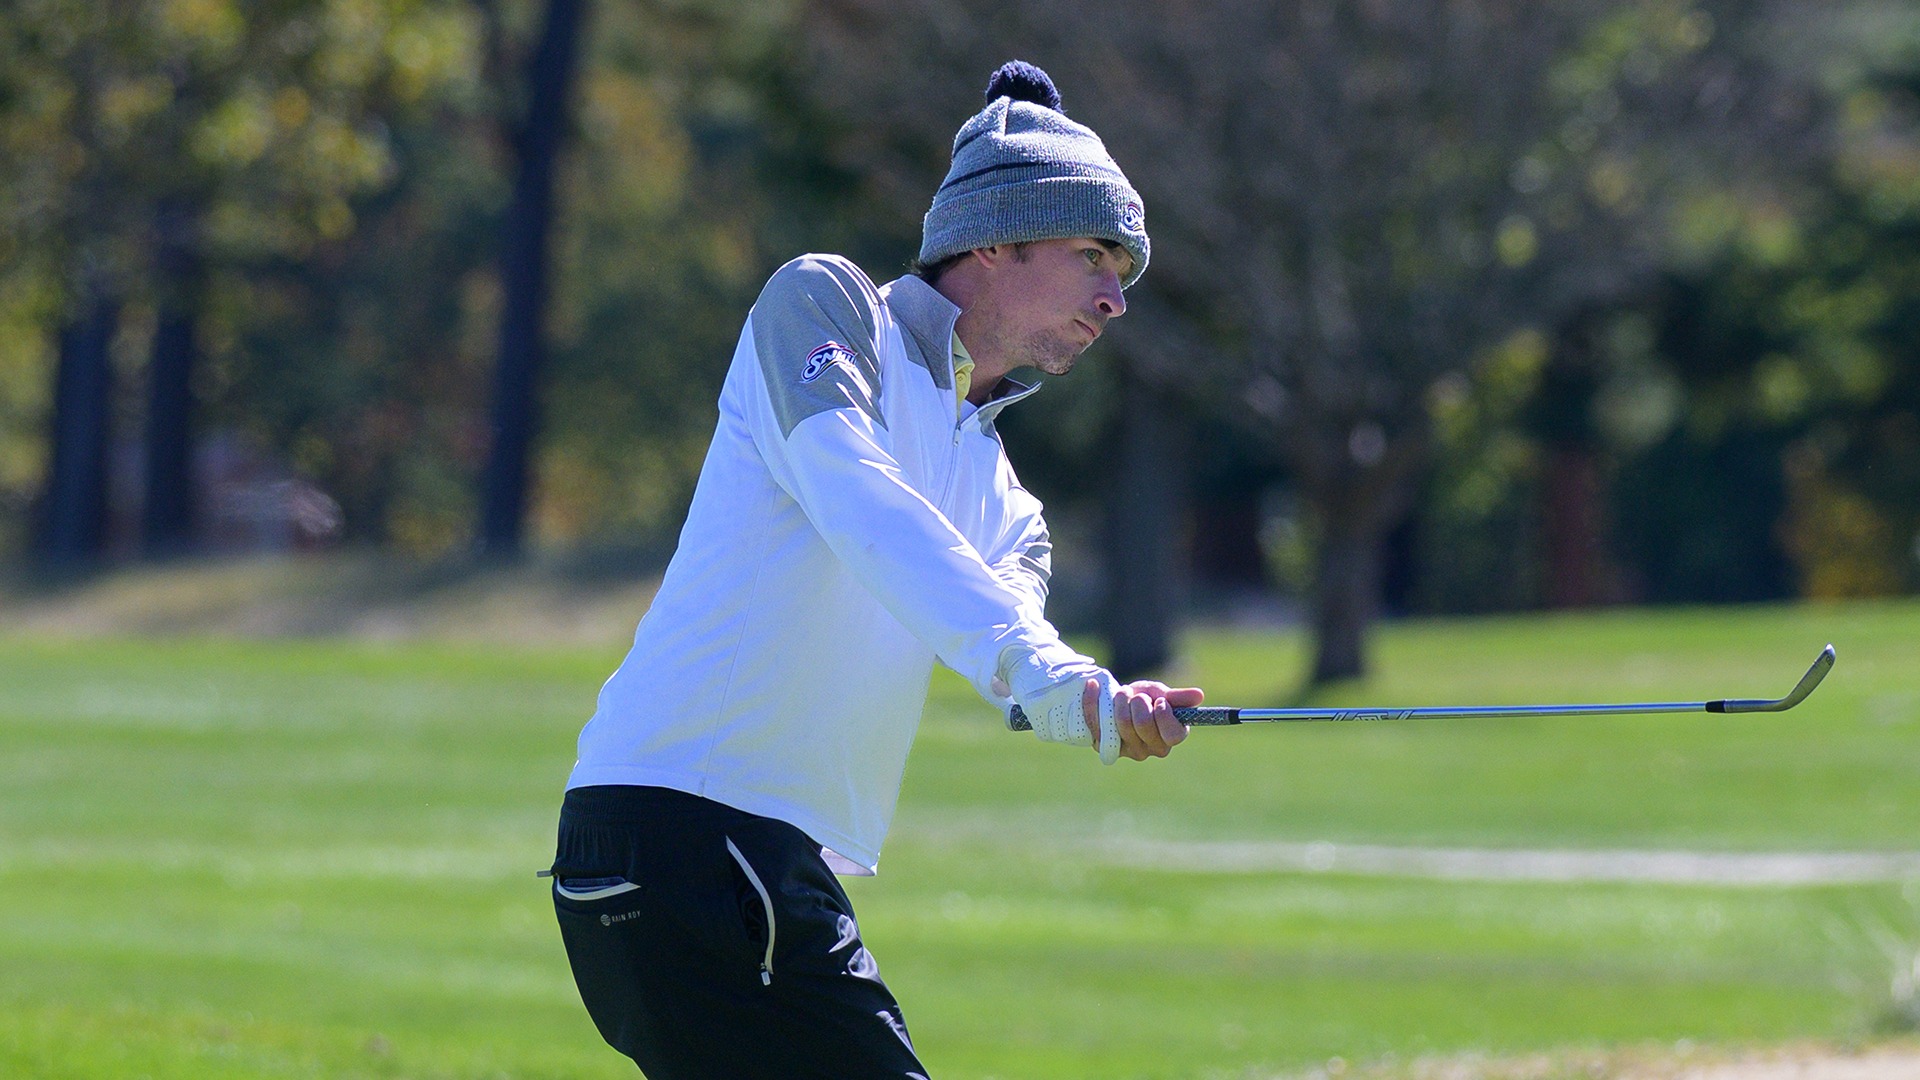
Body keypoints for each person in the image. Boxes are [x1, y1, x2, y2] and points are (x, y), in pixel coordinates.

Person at [546, 59, 1201, 1079]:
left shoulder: (1004, 497)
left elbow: (1009, 654)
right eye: (1093, 256)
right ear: (994, 242)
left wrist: (1104, 700)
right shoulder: (825, 309)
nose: (1117, 298)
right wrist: (1049, 674)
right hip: (674, 830)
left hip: (769, 863)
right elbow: (859, 500)